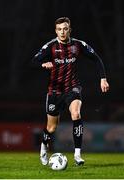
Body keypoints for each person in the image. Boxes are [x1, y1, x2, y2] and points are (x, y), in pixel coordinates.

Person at [32, 17, 109, 166]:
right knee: (51, 127)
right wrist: (43, 64)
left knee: (76, 113)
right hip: (54, 91)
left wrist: (103, 78)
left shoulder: (78, 45)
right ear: (56, 31)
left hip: (72, 87)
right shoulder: (50, 47)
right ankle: (43, 147)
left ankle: (77, 154)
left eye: (65, 28)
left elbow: (96, 58)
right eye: (59, 29)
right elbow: (32, 61)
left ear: (69, 30)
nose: (62, 31)